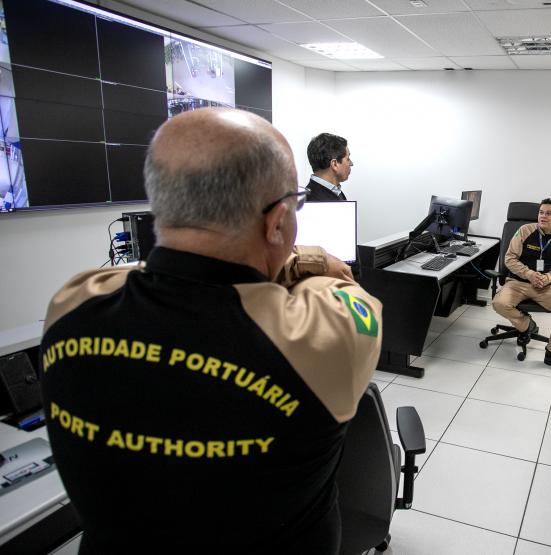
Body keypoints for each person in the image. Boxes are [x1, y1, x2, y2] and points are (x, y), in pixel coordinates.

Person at [40, 108, 382, 554]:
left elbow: (160, 271)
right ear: (277, 221)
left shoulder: (72, 304)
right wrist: (310, 258)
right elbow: (347, 289)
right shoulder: (325, 335)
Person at [492, 198, 551, 372]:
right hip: (518, 282)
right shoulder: (524, 231)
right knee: (499, 303)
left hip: (545, 286)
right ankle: (527, 325)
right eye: (541, 212)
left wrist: (549, 277)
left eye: (548, 213)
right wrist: (529, 274)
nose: (543, 216)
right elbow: (509, 259)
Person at [305, 132, 353, 201]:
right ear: (334, 164)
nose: (351, 163)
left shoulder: (334, 192)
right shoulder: (315, 202)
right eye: (348, 159)